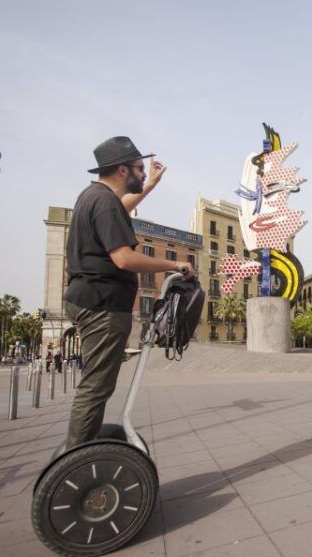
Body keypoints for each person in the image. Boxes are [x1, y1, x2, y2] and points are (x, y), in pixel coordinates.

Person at [63, 136, 195, 448]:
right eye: (138, 169)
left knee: (96, 385)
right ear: (122, 170)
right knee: (96, 387)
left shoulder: (94, 196)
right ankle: (76, 459)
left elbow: (122, 207)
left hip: (91, 299)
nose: (142, 173)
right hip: (103, 304)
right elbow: (123, 258)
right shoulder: (104, 202)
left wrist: (150, 186)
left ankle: (83, 448)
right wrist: (173, 264)